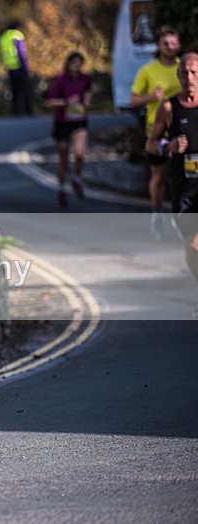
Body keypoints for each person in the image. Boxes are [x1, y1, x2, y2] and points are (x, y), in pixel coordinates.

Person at [146, 52, 198, 318]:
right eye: (184, 73)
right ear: (178, 76)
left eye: (194, 73)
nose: (189, 78)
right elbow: (151, 142)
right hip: (185, 188)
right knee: (192, 247)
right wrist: (169, 145)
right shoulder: (168, 109)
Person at [131, 26, 181, 240]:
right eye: (166, 43)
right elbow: (133, 99)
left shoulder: (186, 68)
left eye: (174, 43)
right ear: (159, 46)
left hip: (184, 128)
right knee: (160, 175)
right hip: (157, 130)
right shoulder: (148, 70)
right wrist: (150, 97)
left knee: (185, 176)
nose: (170, 47)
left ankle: (182, 216)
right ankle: (157, 213)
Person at [45, 52, 93, 208]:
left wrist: (86, 101)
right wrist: (66, 102)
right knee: (64, 158)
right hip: (63, 121)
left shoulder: (85, 78)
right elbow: (50, 101)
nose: (77, 67)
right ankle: (61, 188)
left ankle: (77, 179)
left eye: (79, 64)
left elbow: (88, 91)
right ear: (68, 64)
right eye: (74, 64)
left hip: (79, 120)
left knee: (80, 153)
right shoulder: (60, 80)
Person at [0, 20, 32, 116]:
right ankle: (27, 110)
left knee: (14, 91)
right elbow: (21, 52)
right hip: (19, 67)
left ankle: (16, 111)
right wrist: (25, 66)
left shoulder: (4, 37)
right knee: (25, 90)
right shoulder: (16, 35)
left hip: (10, 67)